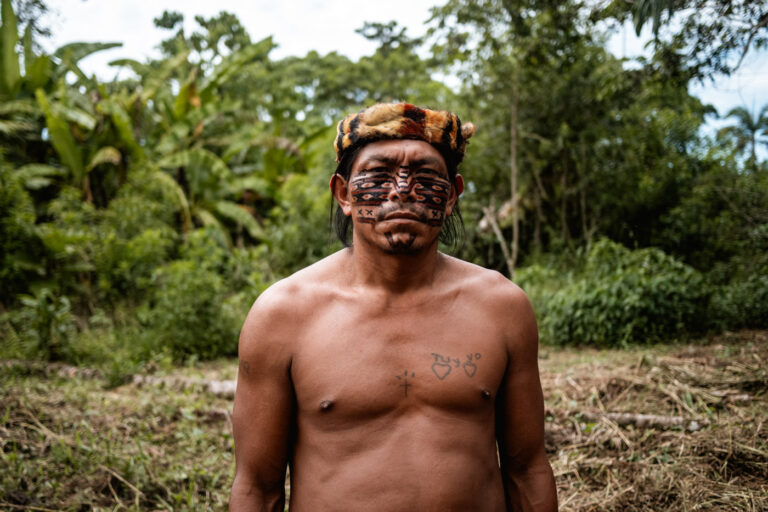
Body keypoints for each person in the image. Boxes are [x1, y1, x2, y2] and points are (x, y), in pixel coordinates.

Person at [229, 103, 557, 511]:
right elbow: (257, 488)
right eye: (378, 175)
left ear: (452, 196)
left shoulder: (501, 307)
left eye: (425, 176)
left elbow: (527, 470)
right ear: (344, 194)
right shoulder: (283, 315)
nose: (401, 189)